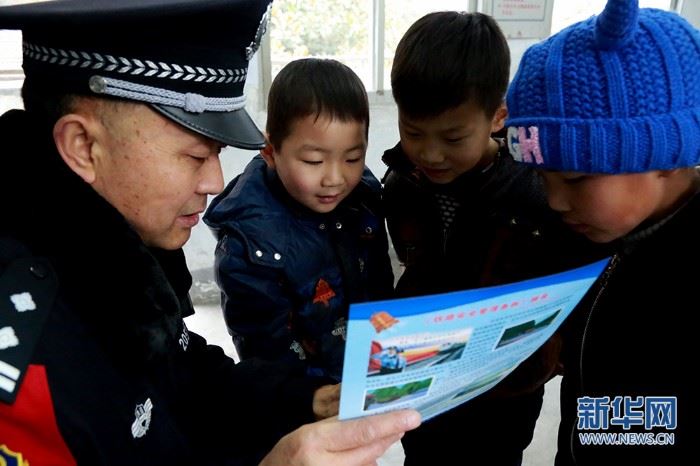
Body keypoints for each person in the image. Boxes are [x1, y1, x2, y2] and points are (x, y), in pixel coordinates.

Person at [0, 1, 420, 465]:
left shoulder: (115, 248)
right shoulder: (23, 359)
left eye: (217, 154)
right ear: (84, 146)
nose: (216, 182)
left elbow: (183, 378)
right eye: (196, 156)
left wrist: (310, 399)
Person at [381, 11, 597, 465]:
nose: (430, 154)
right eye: (413, 132)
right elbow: (408, 262)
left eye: (453, 137)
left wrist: (549, 354)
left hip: (506, 388)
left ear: (498, 117)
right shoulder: (402, 184)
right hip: (426, 376)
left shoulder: (534, 194)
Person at [505, 0, 699, 463]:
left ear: (665, 156)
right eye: (542, 178)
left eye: (575, 179)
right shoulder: (598, 232)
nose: (554, 200)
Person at [203, 58, 394, 381]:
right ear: (270, 151)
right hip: (304, 396)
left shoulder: (363, 198)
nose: (335, 178)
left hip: (371, 372)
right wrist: (316, 397)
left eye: (352, 158)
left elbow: (379, 288)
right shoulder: (250, 243)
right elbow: (266, 352)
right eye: (314, 161)